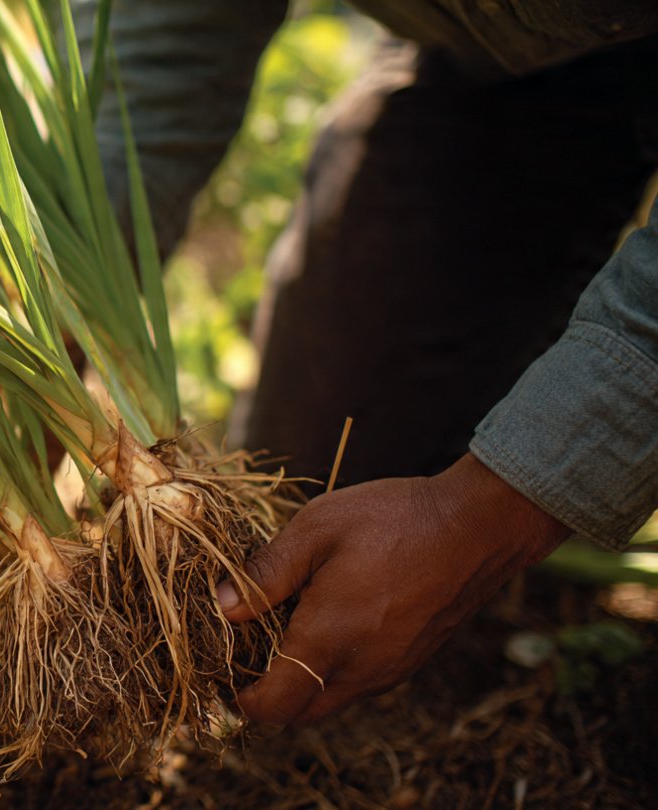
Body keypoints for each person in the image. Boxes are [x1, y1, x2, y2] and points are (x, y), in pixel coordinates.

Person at [75, 0, 658, 726]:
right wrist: (69, 291)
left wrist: (492, 509)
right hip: (494, 50)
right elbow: (170, 28)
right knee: (313, 500)